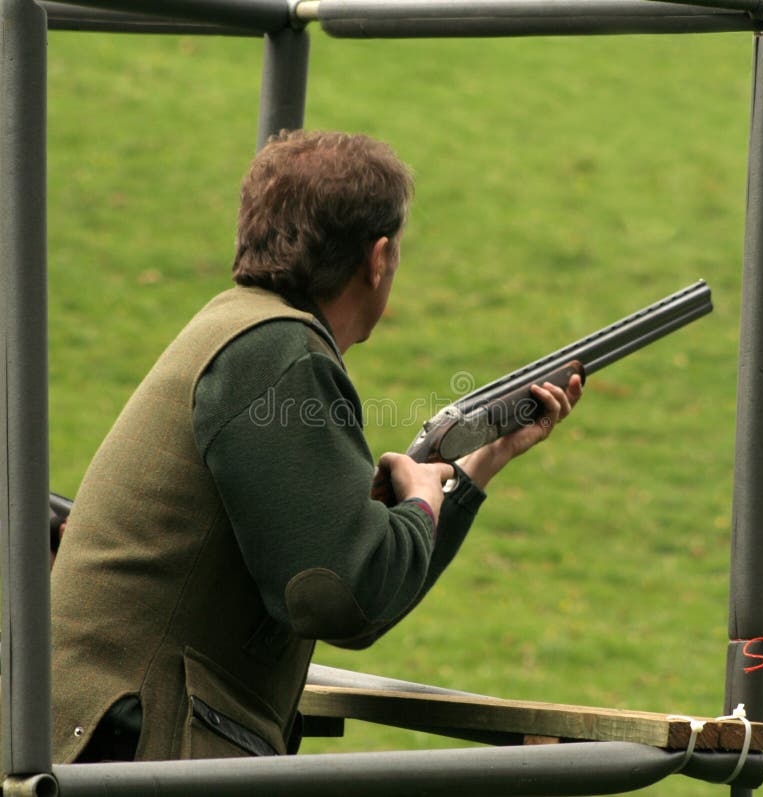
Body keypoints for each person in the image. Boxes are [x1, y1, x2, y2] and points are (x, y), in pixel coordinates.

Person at [50, 130, 583, 763]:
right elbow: (341, 594)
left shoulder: (243, 328)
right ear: (378, 259)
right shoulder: (278, 353)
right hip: (134, 743)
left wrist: (473, 467)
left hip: (110, 735)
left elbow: (355, 595)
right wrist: (418, 504)